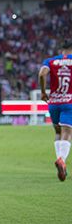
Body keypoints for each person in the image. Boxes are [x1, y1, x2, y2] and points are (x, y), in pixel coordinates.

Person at [38, 39, 72, 182]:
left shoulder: (51, 61)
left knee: (57, 131)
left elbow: (41, 74)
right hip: (69, 102)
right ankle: (61, 159)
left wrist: (43, 92)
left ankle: (60, 160)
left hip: (54, 102)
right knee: (67, 132)